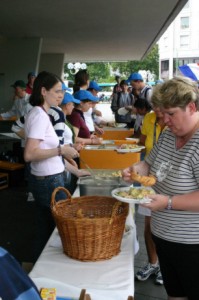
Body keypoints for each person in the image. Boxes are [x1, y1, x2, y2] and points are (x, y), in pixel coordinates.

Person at [122, 76, 199, 300]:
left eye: (171, 114)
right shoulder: (168, 135)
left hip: (192, 246)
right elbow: (149, 164)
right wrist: (135, 170)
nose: (165, 121)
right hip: (164, 238)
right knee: (175, 295)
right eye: (161, 114)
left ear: (191, 107)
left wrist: (169, 202)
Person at [24, 71, 79, 261]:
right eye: (57, 91)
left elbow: (51, 156)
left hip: (48, 179)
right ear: (43, 91)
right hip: (50, 182)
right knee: (60, 230)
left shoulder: (40, 114)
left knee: (46, 229)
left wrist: (77, 170)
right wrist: (61, 150)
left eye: (62, 92)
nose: (61, 96)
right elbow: (30, 154)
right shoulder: (40, 115)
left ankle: (38, 274)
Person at [135, 107, 166, 285]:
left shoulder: (178, 125)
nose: (158, 111)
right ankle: (152, 263)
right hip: (149, 178)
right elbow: (143, 143)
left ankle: (164, 266)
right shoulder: (149, 118)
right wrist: (136, 168)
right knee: (149, 225)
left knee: (164, 225)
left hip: (169, 182)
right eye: (155, 106)